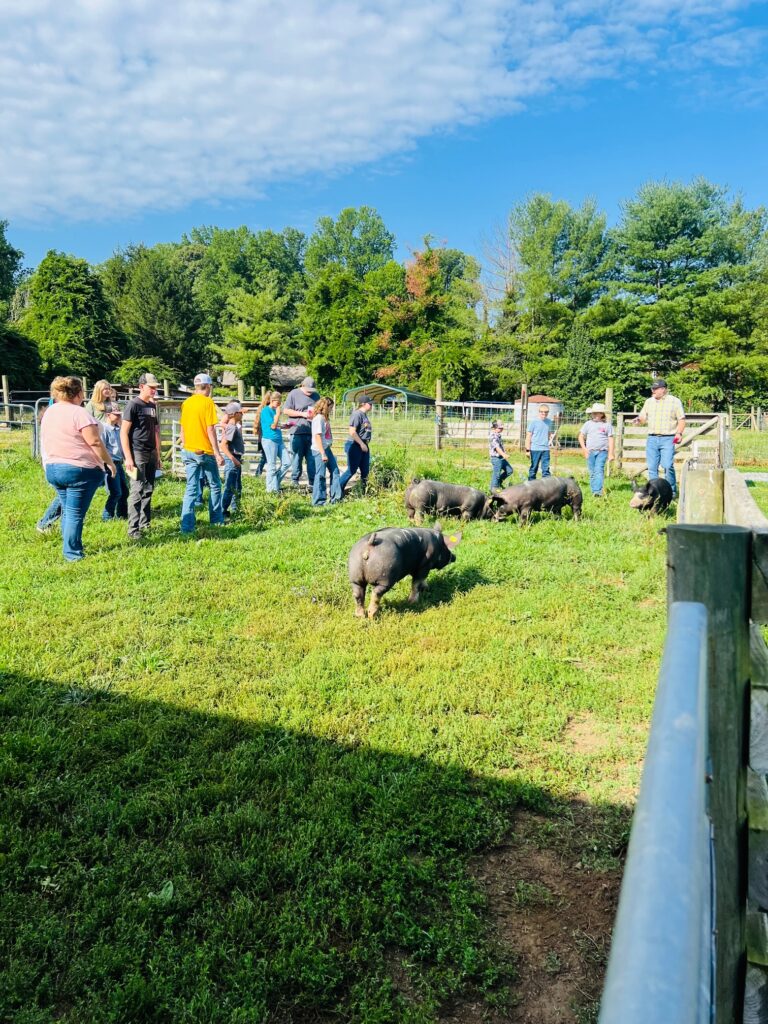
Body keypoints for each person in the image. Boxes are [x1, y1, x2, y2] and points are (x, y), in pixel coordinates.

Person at [40, 375, 116, 562]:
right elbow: (95, 442)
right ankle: (72, 553)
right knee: (75, 514)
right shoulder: (79, 413)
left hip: (54, 467)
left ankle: (69, 545)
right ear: (79, 393)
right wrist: (110, 462)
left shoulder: (50, 411)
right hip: (79, 469)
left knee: (67, 509)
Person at [179, 372, 225, 534]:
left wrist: (185, 445)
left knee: (191, 488)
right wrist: (217, 453)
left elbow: (182, 428)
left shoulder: (186, 403)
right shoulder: (207, 403)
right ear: (208, 387)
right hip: (205, 451)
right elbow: (210, 429)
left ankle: (186, 527)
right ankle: (216, 520)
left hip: (189, 451)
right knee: (215, 485)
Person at [121, 373, 163, 541]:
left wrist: (158, 455)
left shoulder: (152, 406)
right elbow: (124, 432)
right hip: (137, 453)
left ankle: (145, 523)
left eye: (155, 388)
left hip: (152, 453)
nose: (154, 390)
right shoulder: (133, 405)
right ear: (141, 387)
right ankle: (133, 528)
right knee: (137, 489)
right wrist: (128, 458)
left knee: (149, 489)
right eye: (151, 387)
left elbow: (156, 431)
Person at [633, 379, 686, 496]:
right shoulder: (649, 402)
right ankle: (654, 492)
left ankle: (671, 492)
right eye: (652, 388)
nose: (653, 390)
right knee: (652, 467)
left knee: (667, 465)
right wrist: (638, 420)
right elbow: (642, 417)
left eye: (655, 389)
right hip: (652, 438)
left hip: (668, 438)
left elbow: (681, 420)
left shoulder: (675, 401)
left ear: (663, 389)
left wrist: (679, 433)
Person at [284, 376, 319, 486]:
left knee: (311, 458)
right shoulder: (293, 394)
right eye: (308, 390)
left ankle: (312, 482)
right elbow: (286, 410)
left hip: (312, 431)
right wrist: (302, 414)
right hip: (297, 431)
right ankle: (295, 480)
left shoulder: (316, 396)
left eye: (311, 391)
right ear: (302, 386)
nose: (310, 393)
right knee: (297, 457)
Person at [578, 403, 615, 497]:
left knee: (599, 470)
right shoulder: (588, 424)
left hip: (602, 451)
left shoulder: (607, 425)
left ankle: (597, 491)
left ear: (602, 414)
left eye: (596, 413)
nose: (594, 415)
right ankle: (594, 490)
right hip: (590, 451)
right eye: (593, 413)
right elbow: (581, 436)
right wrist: (584, 449)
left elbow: (610, 439)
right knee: (592, 472)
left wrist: (611, 453)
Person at [311, 397, 342, 506]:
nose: (331, 409)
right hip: (320, 450)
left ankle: (336, 498)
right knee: (320, 475)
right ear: (325, 406)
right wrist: (323, 453)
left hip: (327, 448)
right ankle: (318, 501)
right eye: (331, 407)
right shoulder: (318, 419)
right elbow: (317, 436)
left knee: (335, 471)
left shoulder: (325, 418)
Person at [340, 395, 373, 494]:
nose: (371, 405)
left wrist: (364, 444)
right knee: (351, 470)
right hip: (355, 445)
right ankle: (337, 490)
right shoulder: (357, 414)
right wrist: (361, 444)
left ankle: (363, 492)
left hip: (363, 445)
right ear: (363, 404)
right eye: (370, 403)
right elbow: (352, 432)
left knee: (365, 471)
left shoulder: (364, 415)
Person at [100, 404, 128, 519]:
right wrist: (107, 463)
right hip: (110, 464)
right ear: (108, 415)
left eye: (119, 415)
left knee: (124, 491)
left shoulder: (118, 429)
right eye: (115, 415)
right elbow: (102, 448)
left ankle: (122, 514)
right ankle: (107, 516)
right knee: (116, 492)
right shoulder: (104, 429)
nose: (118, 417)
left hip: (119, 463)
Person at [260, 391, 288, 494]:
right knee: (272, 465)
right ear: (272, 401)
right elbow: (273, 426)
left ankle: (274, 483)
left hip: (278, 439)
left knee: (287, 462)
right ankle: (271, 490)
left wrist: (285, 426)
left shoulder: (274, 411)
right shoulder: (266, 411)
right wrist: (277, 414)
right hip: (269, 440)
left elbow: (276, 425)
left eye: (280, 403)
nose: (279, 405)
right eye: (278, 402)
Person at [220, 401, 245, 517]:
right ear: (235, 414)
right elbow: (223, 445)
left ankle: (235, 509)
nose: (242, 414)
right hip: (233, 460)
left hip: (236, 458)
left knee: (237, 486)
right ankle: (222, 511)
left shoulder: (235, 426)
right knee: (230, 487)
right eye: (240, 412)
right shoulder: (232, 428)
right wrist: (233, 459)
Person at [526, 404, 555, 480]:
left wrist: (551, 437)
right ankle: (531, 485)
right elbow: (529, 436)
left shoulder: (549, 422)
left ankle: (546, 487)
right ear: (539, 412)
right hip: (535, 449)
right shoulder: (533, 422)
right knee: (534, 467)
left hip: (545, 449)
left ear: (548, 413)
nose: (544, 414)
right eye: (542, 412)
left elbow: (549, 433)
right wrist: (527, 450)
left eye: (546, 412)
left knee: (546, 469)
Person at [488, 420, 513, 490]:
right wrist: (503, 454)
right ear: (494, 428)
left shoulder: (498, 435)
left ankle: (498, 483)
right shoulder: (493, 436)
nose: (501, 429)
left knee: (509, 470)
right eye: (499, 428)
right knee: (496, 474)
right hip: (496, 458)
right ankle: (493, 489)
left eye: (502, 428)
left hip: (501, 457)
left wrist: (504, 454)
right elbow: (496, 447)